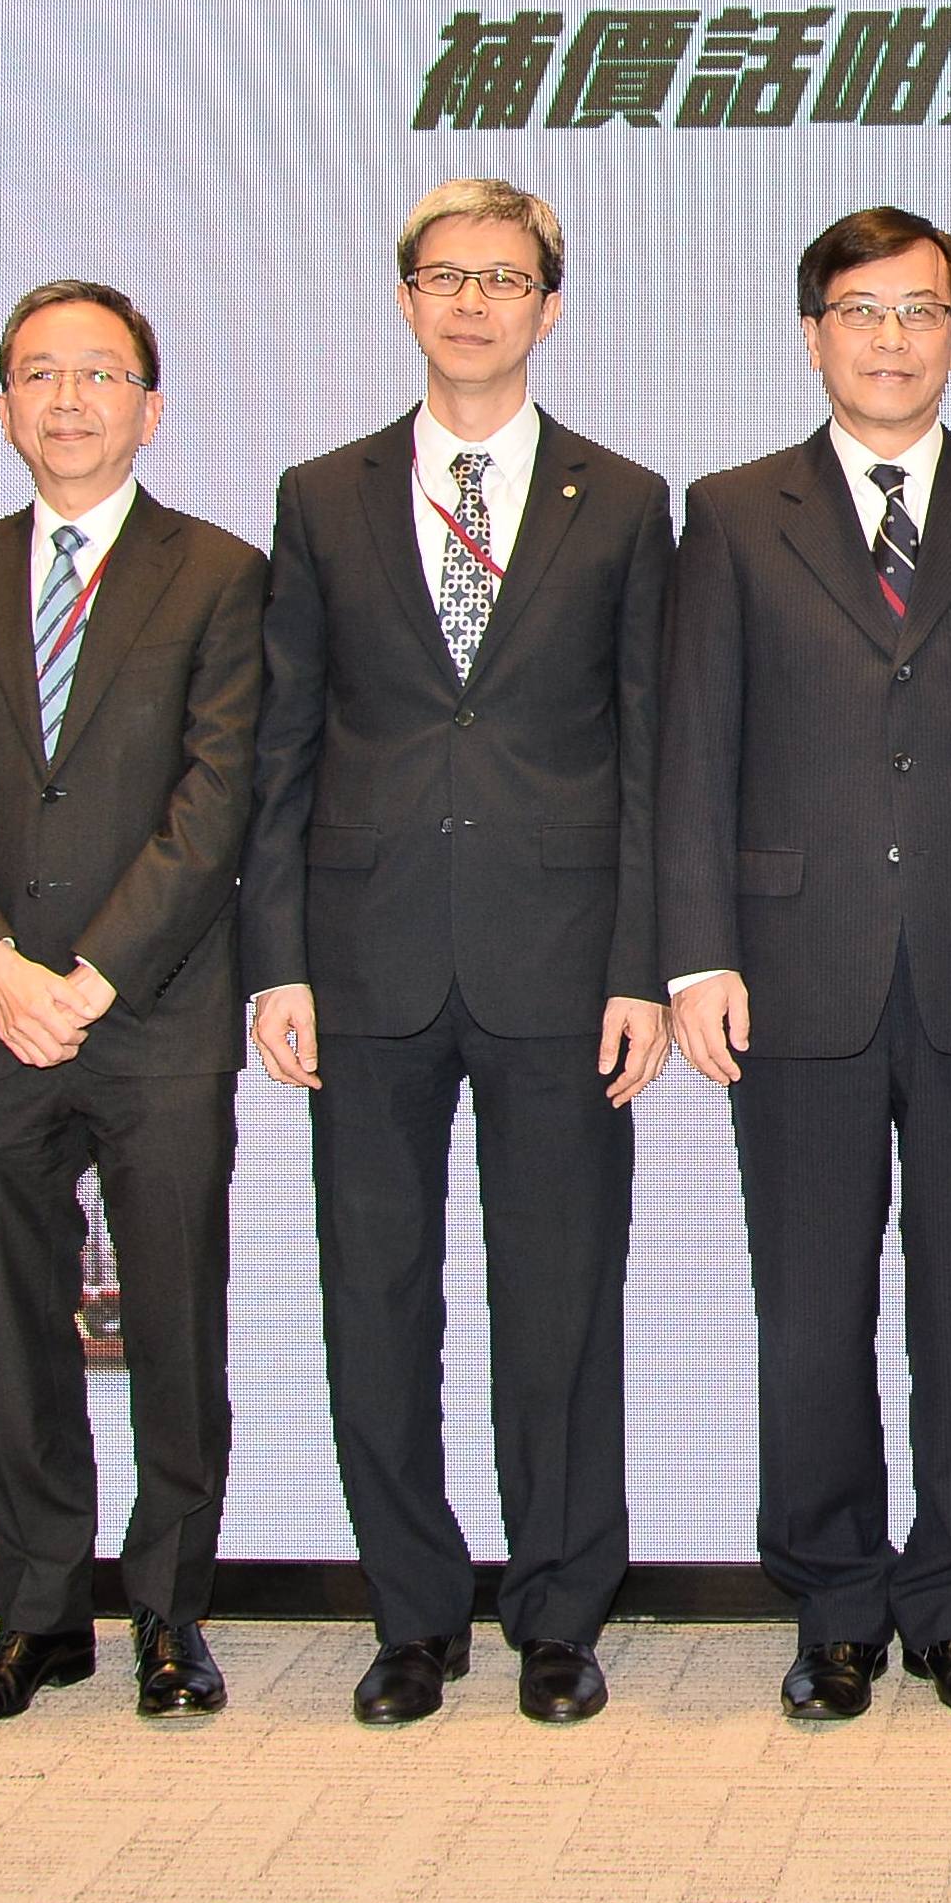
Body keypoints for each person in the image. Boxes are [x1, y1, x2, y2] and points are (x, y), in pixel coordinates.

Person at [662, 206, 951, 1725]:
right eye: (862, 311)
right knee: (809, 1303)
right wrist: (694, 956)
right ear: (813, 335)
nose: (892, 338)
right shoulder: (730, 512)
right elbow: (693, 752)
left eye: (921, 311)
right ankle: (836, 1602)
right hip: (792, 970)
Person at [245, 180, 673, 1729]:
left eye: (505, 278)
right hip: (361, 963)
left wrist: (644, 965)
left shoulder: (624, 503)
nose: (474, 301)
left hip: (563, 962)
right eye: (445, 275)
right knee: (378, 1295)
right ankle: (411, 1615)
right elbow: (284, 745)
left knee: (560, 1297)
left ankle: (561, 1613)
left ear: (549, 307)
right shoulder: (323, 493)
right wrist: (273, 961)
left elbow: (650, 754)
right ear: (408, 299)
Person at [0, 279, 265, 1724]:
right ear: (2, 408)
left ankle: (173, 1616)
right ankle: (37, 1616)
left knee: (175, 1325)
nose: (68, 398)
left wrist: (93, 976)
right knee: (15, 1333)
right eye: (38, 373)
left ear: (148, 408)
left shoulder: (221, 573)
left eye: (99, 373)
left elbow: (215, 799)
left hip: (153, 1016)